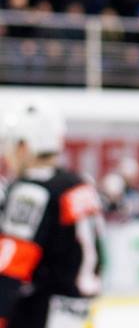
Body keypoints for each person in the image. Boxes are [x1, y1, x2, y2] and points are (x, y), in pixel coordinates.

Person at [0, 100, 103, 327]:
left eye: (9, 145)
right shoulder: (79, 184)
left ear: (24, 146)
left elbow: (12, 265)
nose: (6, 154)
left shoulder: (31, 191)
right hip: (78, 311)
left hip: (40, 311)